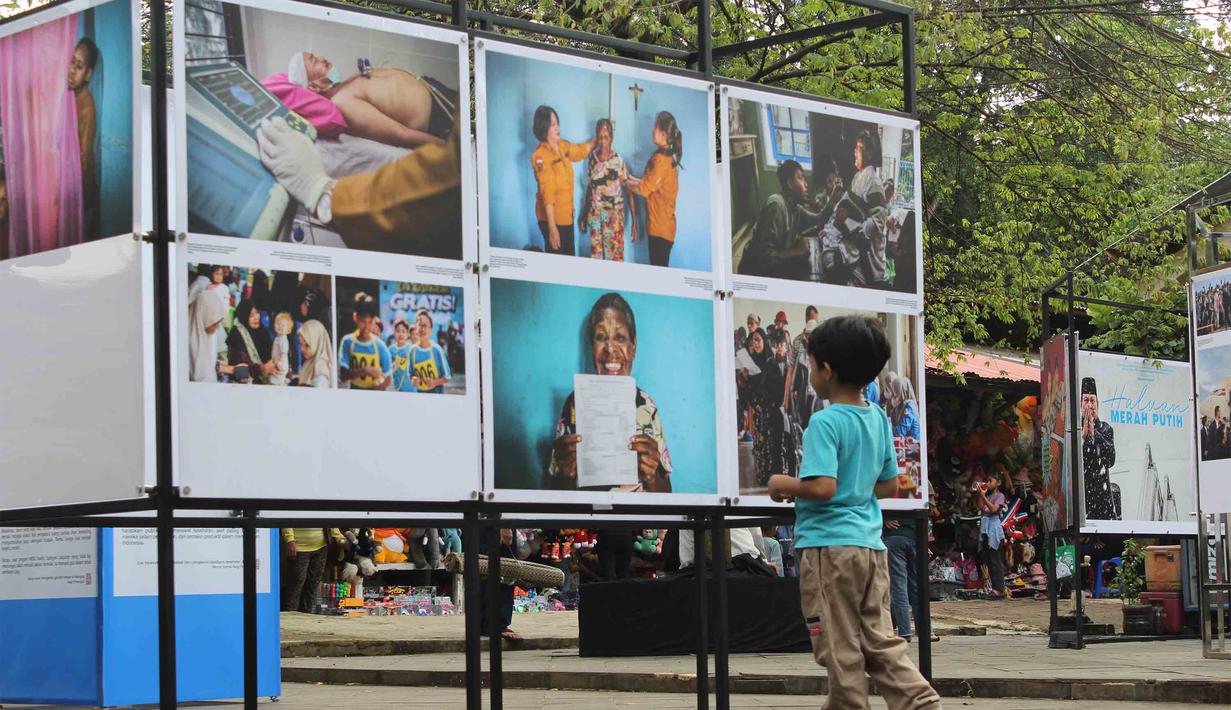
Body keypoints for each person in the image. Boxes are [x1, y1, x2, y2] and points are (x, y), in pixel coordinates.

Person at [767, 315, 941, 710]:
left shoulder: (824, 423)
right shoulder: (877, 418)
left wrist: (783, 485)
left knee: (839, 650)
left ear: (826, 370)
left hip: (829, 552)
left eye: (810, 366)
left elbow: (822, 487)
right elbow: (888, 486)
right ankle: (920, 702)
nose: (809, 373)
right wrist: (855, 486)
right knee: (880, 641)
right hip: (869, 549)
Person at [549, 293, 672, 493]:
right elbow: (554, 496)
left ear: (633, 347)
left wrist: (652, 476)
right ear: (591, 347)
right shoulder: (574, 403)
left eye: (620, 337)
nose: (610, 349)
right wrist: (567, 475)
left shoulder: (646, 406)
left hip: (635, 522)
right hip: (588, 522)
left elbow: (668, 497)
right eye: (601, 337)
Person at [287, 51, 457, 147]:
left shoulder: (344, 85)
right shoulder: (343, 103)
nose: (322, 57)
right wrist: (452, 149)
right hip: (440, 119)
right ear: (313, 87)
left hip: (436, 91)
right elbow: (400, 134)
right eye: (314, 61)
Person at [740, 160, 830, 279]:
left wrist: (833, 199)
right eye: (801, 178)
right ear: (790, 183)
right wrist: (795, 251)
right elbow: (763, 258)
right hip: (754, 273)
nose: (806, 184)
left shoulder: (795, 207)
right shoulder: (776, 205)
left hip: (772, 268)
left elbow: (818, 218)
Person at [530, 105, 592, 256]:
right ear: (544, 128)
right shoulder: (540, 156)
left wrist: (597, 140)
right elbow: (547, 193)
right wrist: (552, 229)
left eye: (557, 123)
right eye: (552, 124)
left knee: (569, 258)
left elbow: (578, 151)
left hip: (566, 217)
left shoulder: (562, 146)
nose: (557, 127)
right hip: (552, 221)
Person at [626, 111, 681, 267]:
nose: (652, 130)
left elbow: (644, 190)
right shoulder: (666, 158)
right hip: (664, 229)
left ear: (663, 134)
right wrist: (630, 179)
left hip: (660, 232)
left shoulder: (661, 162)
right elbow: (649, 184)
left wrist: (625, 182)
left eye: (655, 127)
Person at [580, 118, 634, 261]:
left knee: (614, 257)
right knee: (596, 257)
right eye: (600, 137)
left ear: (611, 138)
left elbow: (629, 190)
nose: (603, 141)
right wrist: (584, 215)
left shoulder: (618, 160)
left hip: (614, 216)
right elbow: (590, 186)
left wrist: (634, 222)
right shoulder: (592, 158)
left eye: (606, 137)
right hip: (596, 215)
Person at [69, 37, 99, 236]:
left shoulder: (86, 105)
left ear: (88, 74)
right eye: (71, 61)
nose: (71, 70)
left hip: (82, 194)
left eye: (78, 66)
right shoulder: (70, 96)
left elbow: (84, 158)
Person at [1080, 377, 1120, 520]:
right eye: (1086, 400)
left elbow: (1110, 460)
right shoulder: (1074, 429)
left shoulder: (1105, 428)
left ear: (1098, 404)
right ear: (1080, 404)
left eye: (1093, 400)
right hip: (1082, 494)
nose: (1090, 405)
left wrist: (1095, 434)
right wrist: (1083, 436)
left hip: (1103, 496)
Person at [339, 293, 392, 390]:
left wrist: (377, 389)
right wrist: (365, 370)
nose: (367, 327)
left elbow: (388, 378)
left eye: (370, 322)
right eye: (363, 322)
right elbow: (343, 375)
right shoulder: (348, 342)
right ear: (355, 317)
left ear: (374, 320)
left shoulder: (380, 346)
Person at [282, 527, 343, 613]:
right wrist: (290, 540)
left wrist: (338, 536)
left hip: (321, 547)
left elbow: (328, 517)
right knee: (296, 584)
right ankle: (290, 615)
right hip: (299, 547)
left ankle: (307, 613)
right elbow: (286, 521)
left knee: (313, 583)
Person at [882, 516, 919, 640]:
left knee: (899, 586)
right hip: (915, 536)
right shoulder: (915, 496)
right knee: (917, 586)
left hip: (894, 536)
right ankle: (926, 630)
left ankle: (905, 631)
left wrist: (883, 520)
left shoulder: (886, 498)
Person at [222, 299, 276, 384]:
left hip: (266, 378)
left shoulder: (263, 332)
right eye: (251, 315)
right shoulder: (237, 334)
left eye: (257, 313)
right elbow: (239, 365)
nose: (256, 317)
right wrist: (260, 369)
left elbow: (271, 355)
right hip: (244, 381)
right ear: (244, 316)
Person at [976, 470, 1007, 598]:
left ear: (998, 483)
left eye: (990, 481)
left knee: (995, 560)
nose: (988, 483)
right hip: (985, 528)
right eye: (987, 481)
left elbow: (994, 509)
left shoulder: (1000, 496)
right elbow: (979, 507)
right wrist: (980, 495)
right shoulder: (987, 496)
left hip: (994, 529)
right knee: (988, 559)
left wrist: (983, 497)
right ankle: (994, 588)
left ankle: (999, 589)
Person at [187, 287, 227, 383]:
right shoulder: (189, 342)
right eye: (213, 322)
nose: (217, 327)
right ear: (203, 316)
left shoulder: (208, 333)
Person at [410, 309, 451, 394]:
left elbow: (447, 377)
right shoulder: (412, 351)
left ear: (431, 329)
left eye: (426, 325)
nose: (423, 329)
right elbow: (410, 374)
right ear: (416, 328)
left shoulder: (437, 350)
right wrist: (413, 380)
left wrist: (435, 382)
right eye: (420, 325)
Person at [297, 319, 335, 388]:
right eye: (300, 344)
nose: (302, 349)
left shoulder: (320, 369)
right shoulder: (311, 362)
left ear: (317, 342)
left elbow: (317, 396)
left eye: (307, 345)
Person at [389, 318, 415, 392]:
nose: (401, 334)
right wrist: (394, 366)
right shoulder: (391, 350)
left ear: (408, 334)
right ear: (394, 333)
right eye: (398, 331)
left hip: (412, 389)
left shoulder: (412, 349)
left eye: (403, 332)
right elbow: (389, 371)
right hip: (397, 389)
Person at [268, 312, 294, 386]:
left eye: (283, 325)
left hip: (281, 364)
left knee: (275, 380)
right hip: (277, 362)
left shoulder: (283, 339)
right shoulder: (278, 337)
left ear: (288, 330)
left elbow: (284, 353)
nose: (280, 327)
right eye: (278, 324)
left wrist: (280, 363)